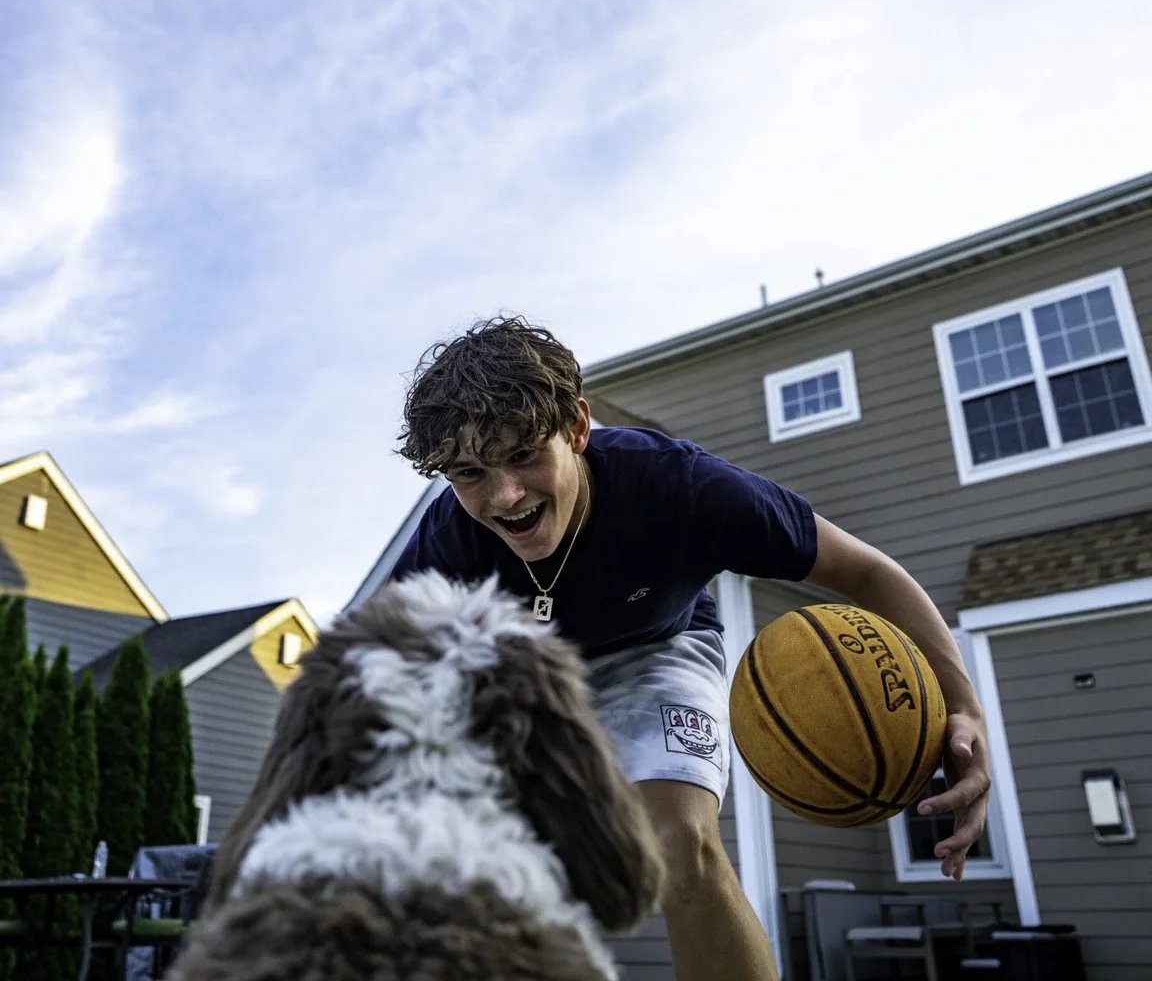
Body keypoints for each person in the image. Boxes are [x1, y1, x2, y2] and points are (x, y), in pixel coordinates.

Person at [391, 317, 991, 981]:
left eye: (525, 455)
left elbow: (867, 573)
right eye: (471, 473)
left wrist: (965, 708)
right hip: (518, 673)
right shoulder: (441, 550)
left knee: (679, 843)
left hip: (657, 647)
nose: (505, 495)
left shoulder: (679, 488)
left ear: (577, 430)